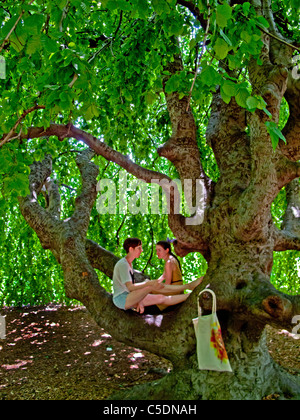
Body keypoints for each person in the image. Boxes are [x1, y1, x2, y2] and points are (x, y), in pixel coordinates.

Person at [112, 238, 201, 314]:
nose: (142, 250)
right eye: (139, 248)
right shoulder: (123, 264)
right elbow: (131, 287)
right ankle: (188, 286)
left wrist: (139, 300)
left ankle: (191, 295)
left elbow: (133, 289)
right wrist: (148, 284)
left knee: (161, 297)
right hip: (122, 299)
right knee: (150, 286)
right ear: (131, 249)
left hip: (129, 296)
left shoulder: (129, 264)